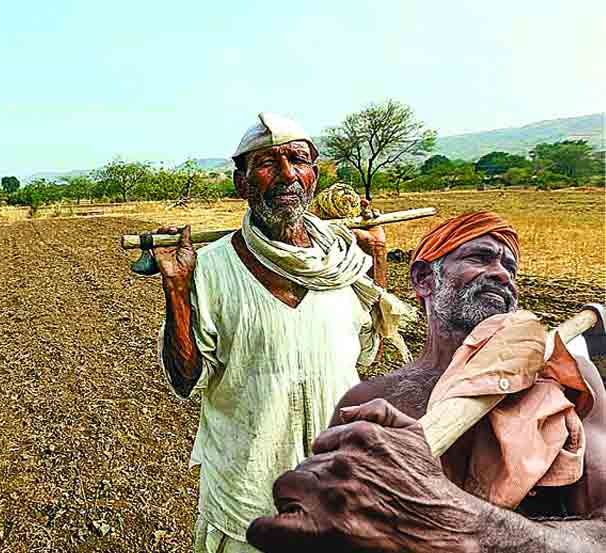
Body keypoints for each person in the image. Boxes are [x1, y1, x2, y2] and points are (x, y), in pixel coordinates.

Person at [246, 211, 606, 552]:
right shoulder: (370, 400)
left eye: (510, 267)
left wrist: (461, 524)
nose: (502, 274)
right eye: (480, 258)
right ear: (423, 278)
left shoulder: (565, 378)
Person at [153, 112, 412, 552]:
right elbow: (185, 380)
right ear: (242, 183)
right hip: (250, 495)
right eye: (268, 163)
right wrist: (177, 289)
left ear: (313, 177)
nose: (287, 174)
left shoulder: (343, 261)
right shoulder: (210, 269)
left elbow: (367, 351)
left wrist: (378, 258)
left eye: (298, 160)